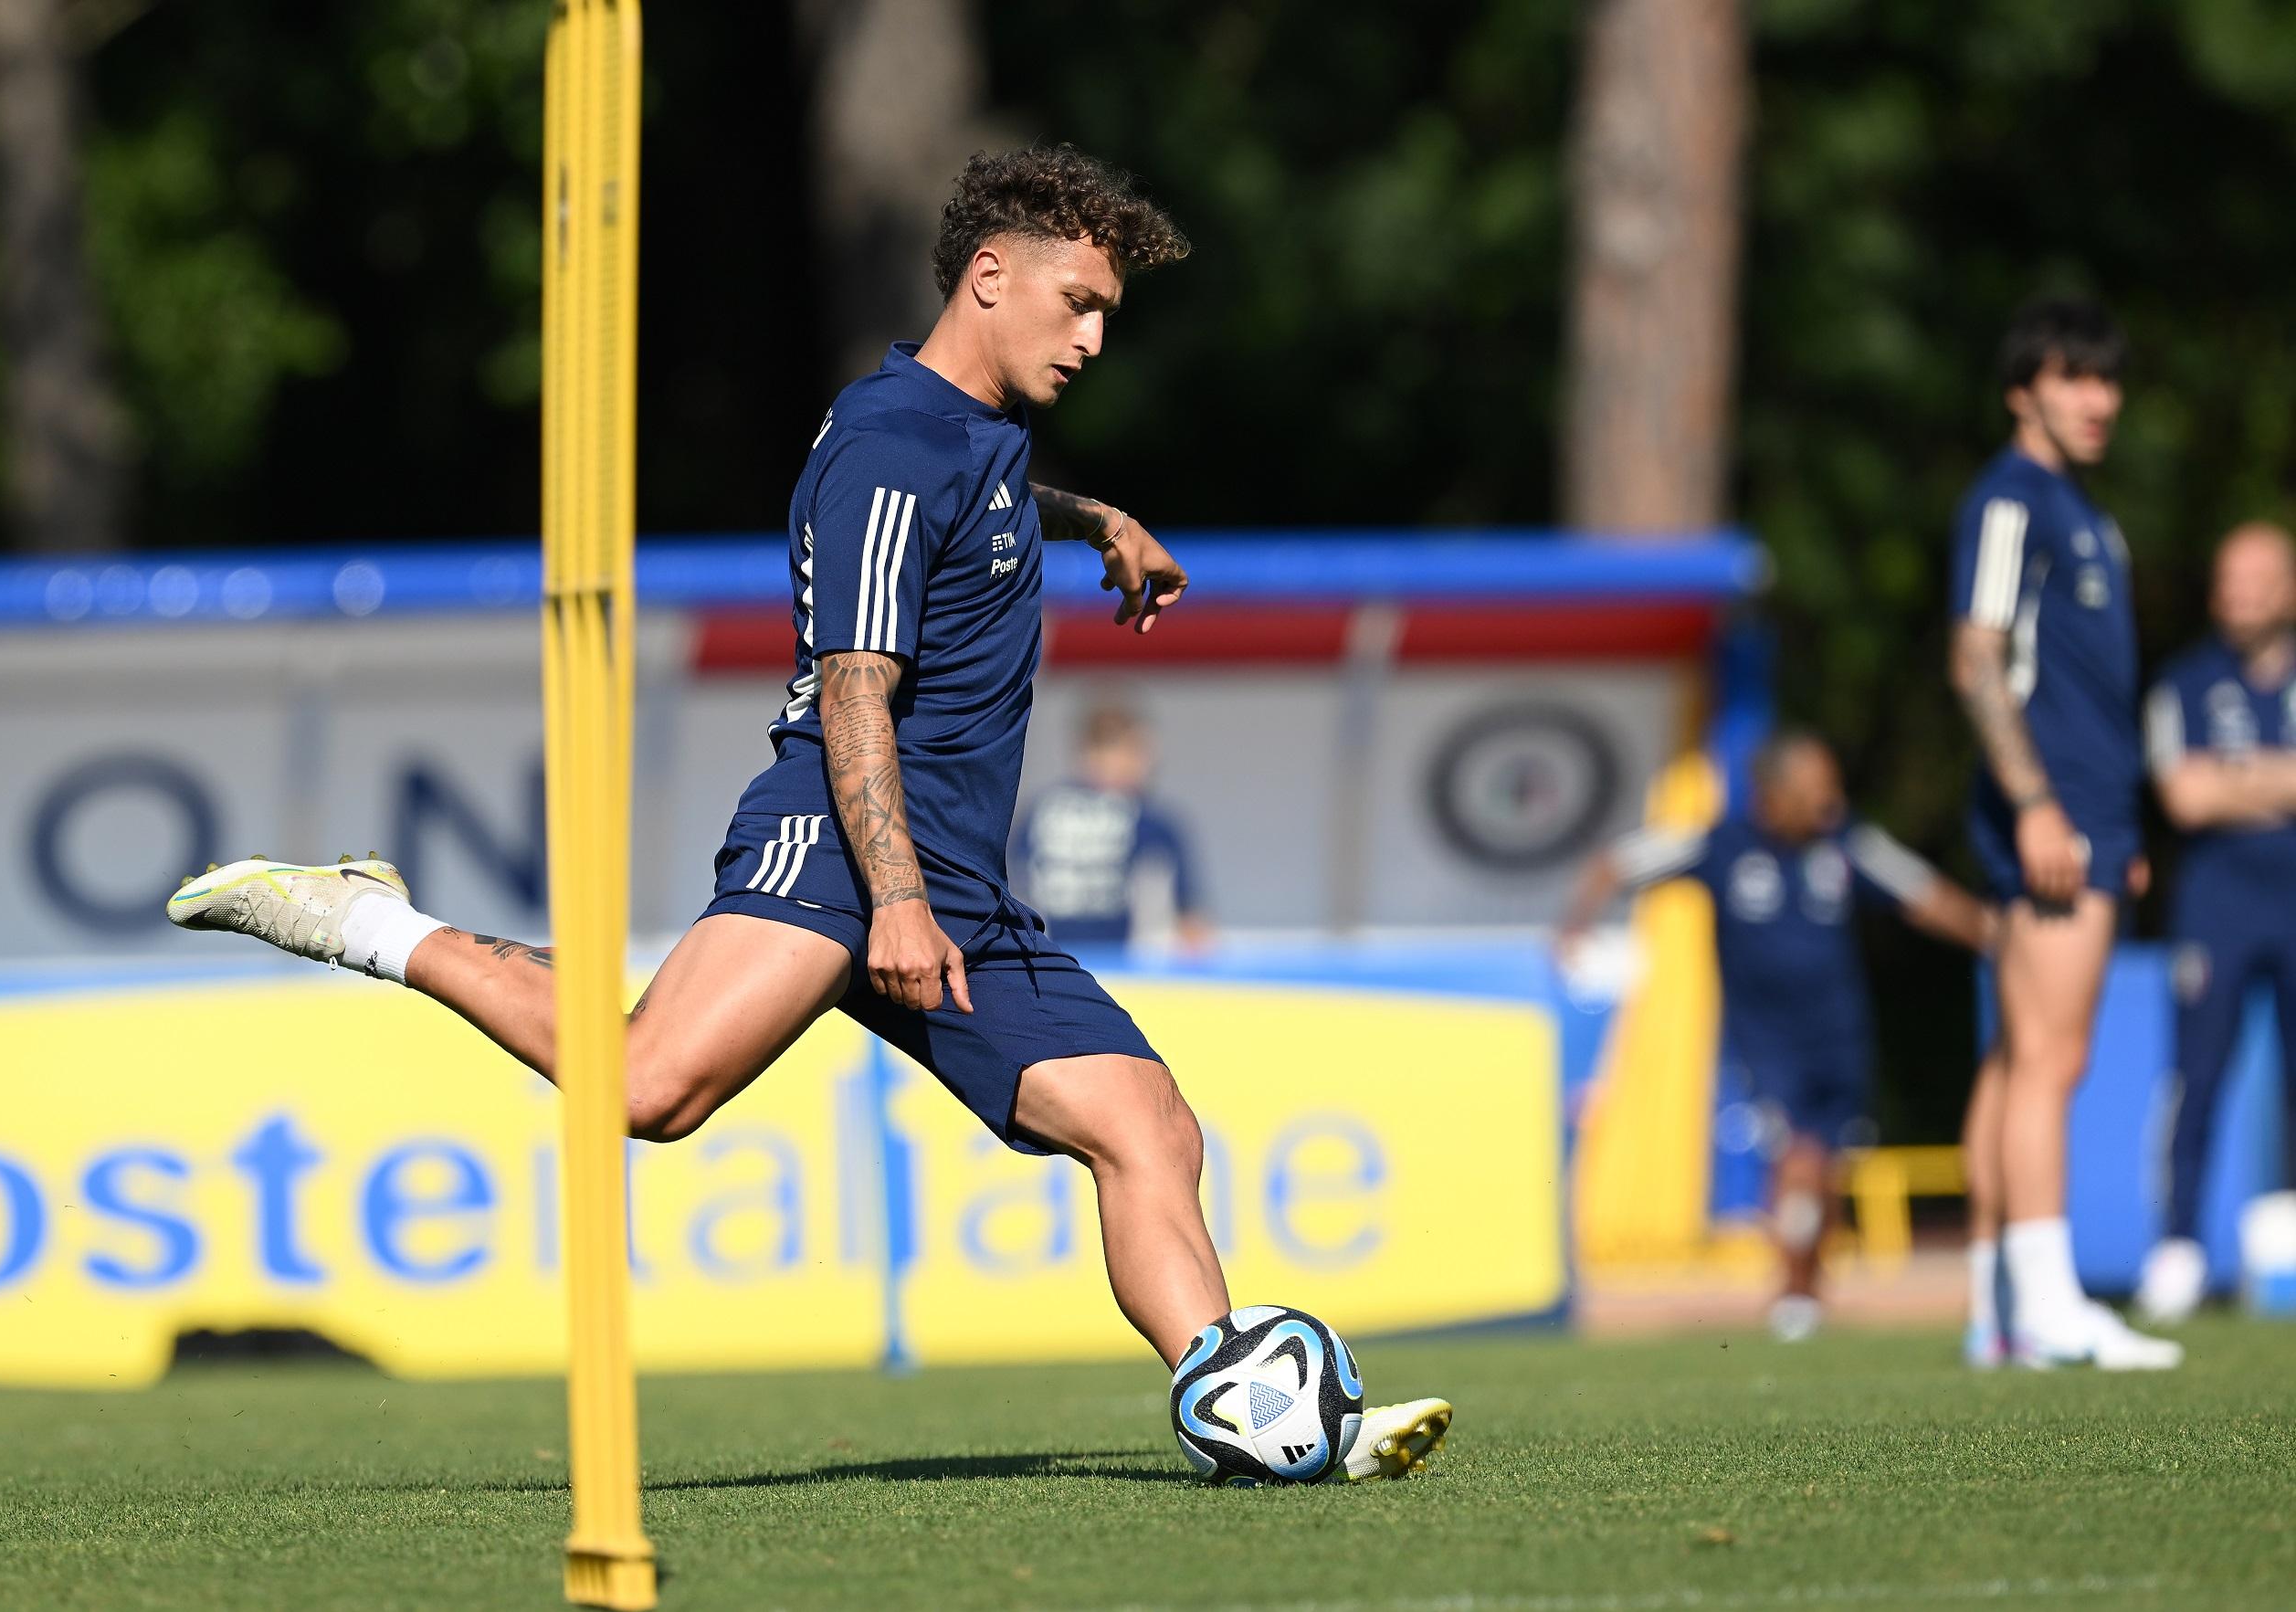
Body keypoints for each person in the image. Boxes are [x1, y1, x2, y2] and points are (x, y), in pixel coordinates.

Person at [163, 145, 1448, 1480]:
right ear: (990, 278)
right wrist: (890, 894)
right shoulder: (893, 450)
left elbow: (987, 504)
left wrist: (1092, 518)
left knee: (1148, 1127)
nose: (1096, 336)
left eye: (1110, 312)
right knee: (652, 1090)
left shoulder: (972, 435)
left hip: (949, 874)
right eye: (1079, 301)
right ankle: (373, 925)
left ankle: (1250, 1409)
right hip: (849, 838)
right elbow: (852, 688)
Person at [1561, 732, 1994, 1342]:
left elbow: (1921, 892)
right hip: (1765, 1038)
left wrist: (1995, 936)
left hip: (1841, 1034)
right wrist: (1574, 926)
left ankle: (1810, 1286)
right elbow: (1619, 862)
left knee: (1828, 1169)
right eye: (1815, 790)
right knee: (1797, 1156)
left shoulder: (1844, 842)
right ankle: (1790, 1291)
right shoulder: (1718, 843)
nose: (1829, 801)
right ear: (1773, 794)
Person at [1947, 296, 2180, 1369]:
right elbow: (1975, 658)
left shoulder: (2085, 513)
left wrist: (2113, 813)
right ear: (2020, 391)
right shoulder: (2011, 501)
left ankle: (1995, 1311)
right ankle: (2044, 1304)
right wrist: (2040, 802)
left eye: (2107, 377)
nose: (2098, 398)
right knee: (2051, 1054)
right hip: (2052, 809)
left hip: (2089, 806)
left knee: (2014, 1055)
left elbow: (2089, 685)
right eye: (2073, 376)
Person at [2137, 522, 2296, 1321]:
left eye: (2257, 579)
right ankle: (2178, 1249)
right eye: (2228, 580)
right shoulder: (2184, 683)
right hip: (2216, 899)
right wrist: (2280, 779)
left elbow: (2212, 784)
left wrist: (2233, 777)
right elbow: (2183, 795)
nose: (2239, 596)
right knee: (2196, 1075)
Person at [1013, 701, 1214, 953]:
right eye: (1140, 750)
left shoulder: (1035, 816)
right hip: (1123, 978)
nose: (1151, 763)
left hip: (1049, 971)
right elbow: (1193, 929)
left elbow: (1012, 896)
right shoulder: (1150, 822)